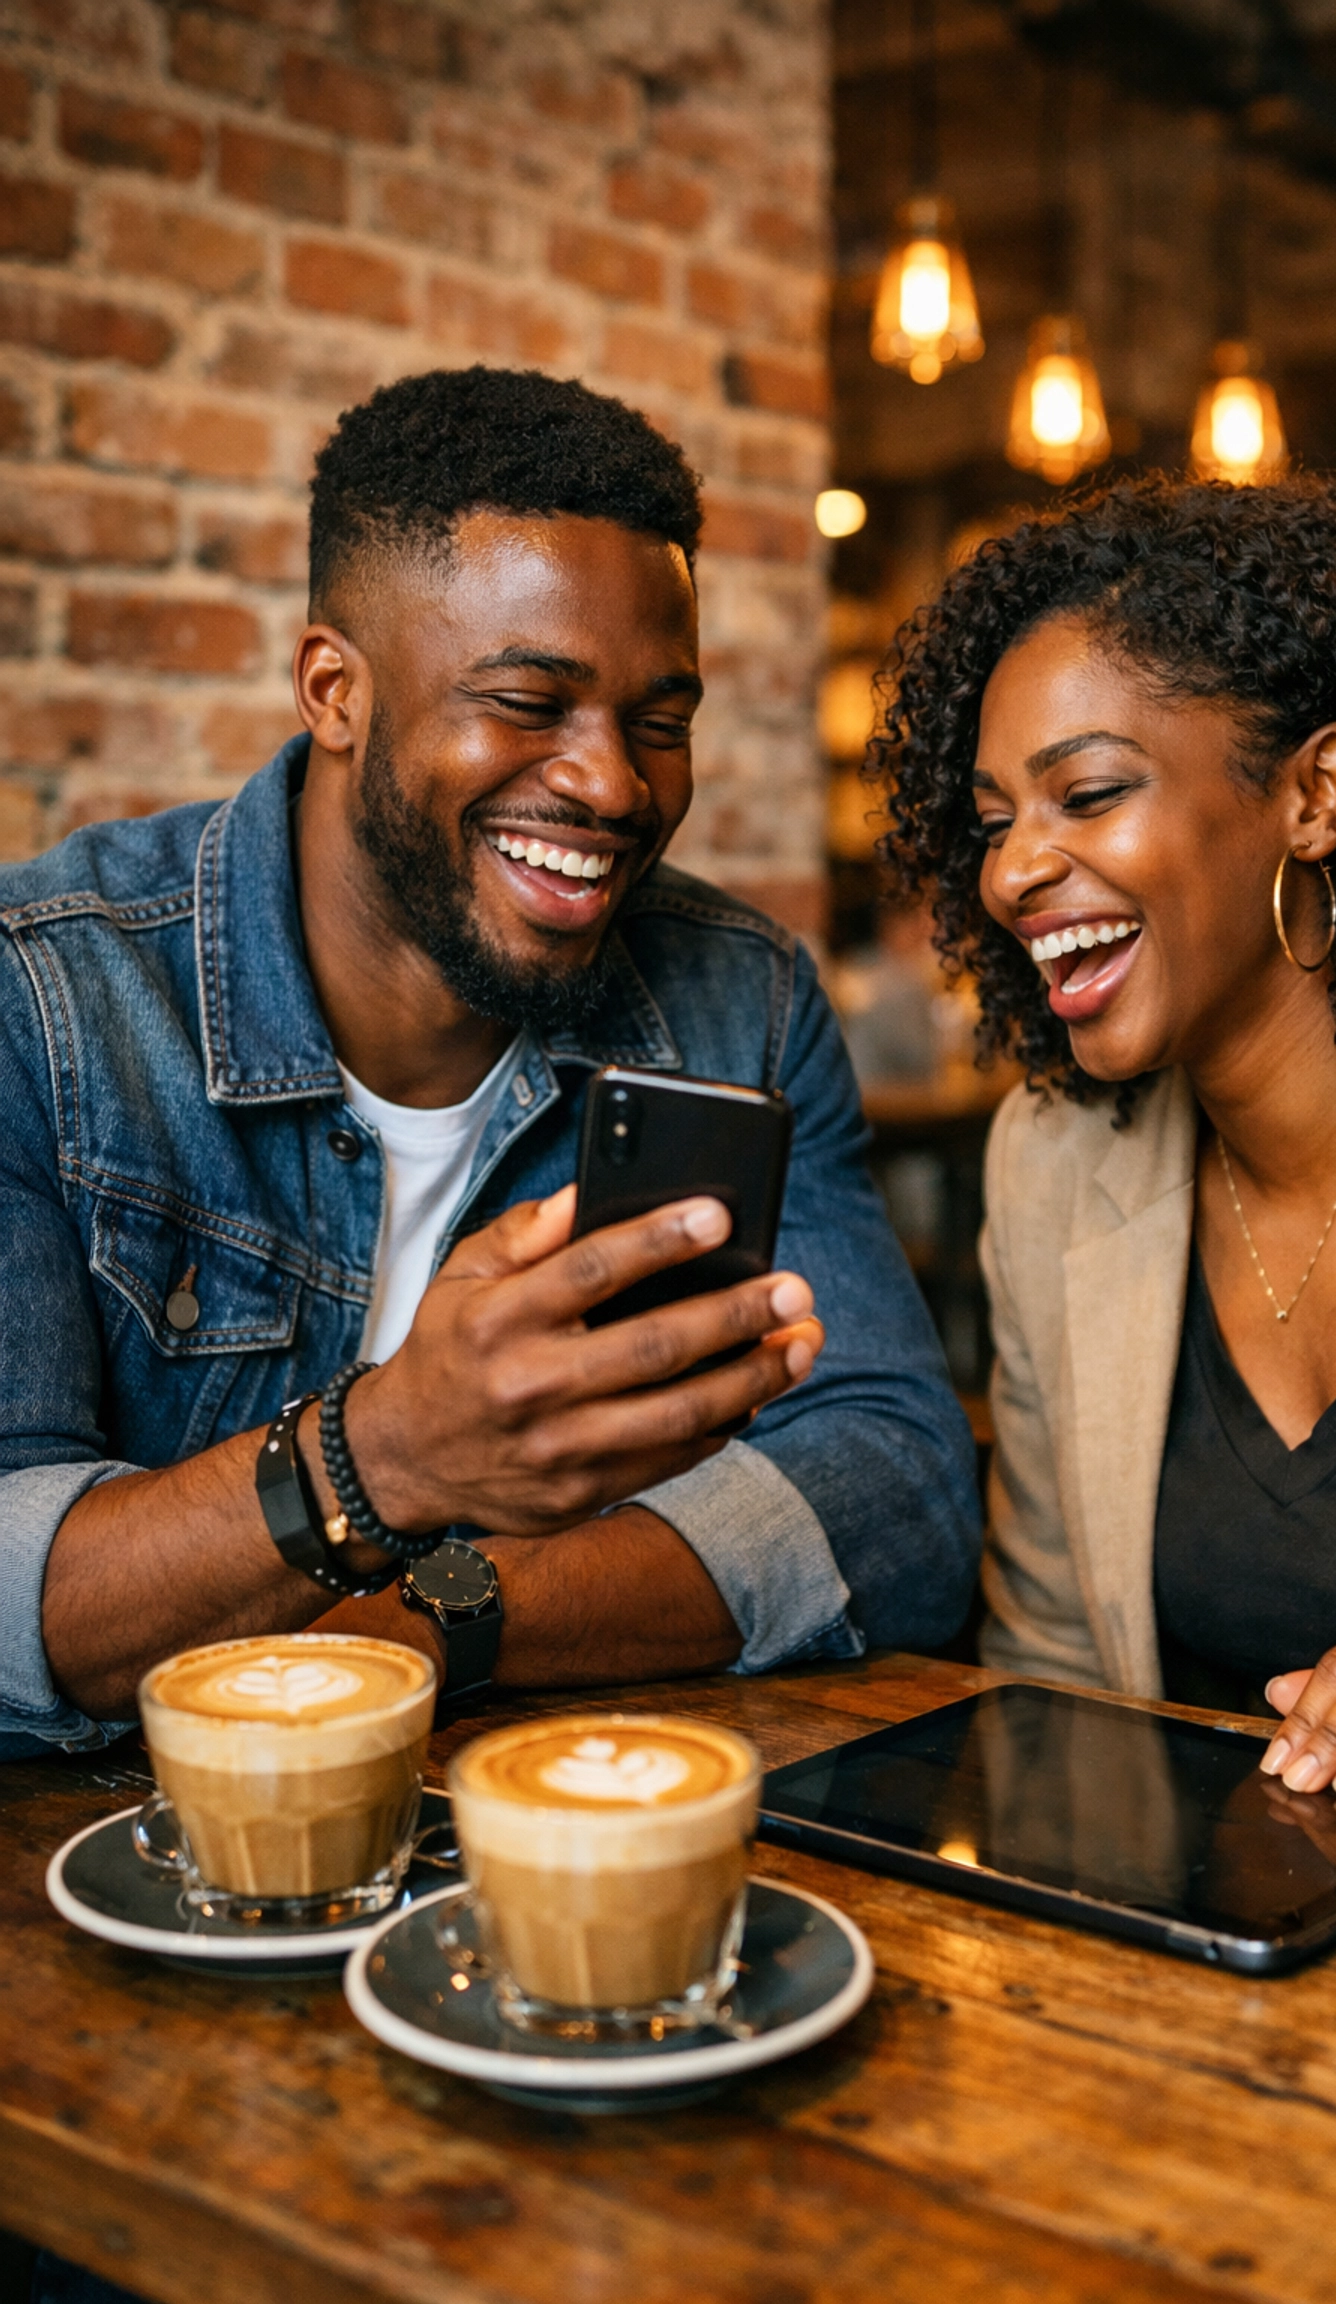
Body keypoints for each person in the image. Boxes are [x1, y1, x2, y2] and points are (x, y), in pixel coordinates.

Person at [0, 366, 979, 1758]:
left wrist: (446, 1614)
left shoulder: (740, 1000)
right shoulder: (44, 997)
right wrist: (381, 1456)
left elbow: (899, 1487)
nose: (615, 785)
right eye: (530, 701)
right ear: (335, 690)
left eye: (660, 719)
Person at [875, 469, 1336, 1808]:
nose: (1010, 872)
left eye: (1089, 793)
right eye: (997, 823)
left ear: (1317, 795)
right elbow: (1053, 1681)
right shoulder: (1052, 1167)